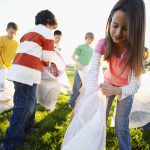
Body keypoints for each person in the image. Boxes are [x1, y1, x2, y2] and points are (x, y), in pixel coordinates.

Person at [61, 0, 146, 150]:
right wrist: (91, 93)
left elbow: (135, 85)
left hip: (125, 89)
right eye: (115, 26)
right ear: (110, 21)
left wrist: (118, 91)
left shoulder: (135, 51)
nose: (118, 33)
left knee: (121, 124)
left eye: (125, 29)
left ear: (135, 29)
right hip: (108, 83)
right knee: (98, 118)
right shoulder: (103, 44)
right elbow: (93, 69)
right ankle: (95, 144)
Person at [0, 10, 57, 150]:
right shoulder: (48, 32)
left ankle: (27, 129)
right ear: (49, 21)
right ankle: (10, 142)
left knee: (30, 102)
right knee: (24, 107)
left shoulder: (28, 32)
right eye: (53, 26)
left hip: (19, 71)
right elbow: (47, 58)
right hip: (27, 73)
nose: (53, 29)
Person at [68, 32, 94, 108]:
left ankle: (79, 101)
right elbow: (73, 56)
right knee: (76, 86)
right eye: (88, 39)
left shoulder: (92, 49)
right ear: (85, 39)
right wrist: (78, 63)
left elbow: (91, 60)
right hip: (79, 70)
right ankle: (71, 101)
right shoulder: (81, 47)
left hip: (86, 70)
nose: (89, 41)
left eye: (91, 39)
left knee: (84, 87)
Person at [0, 22, 18, 91]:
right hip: (1, 67)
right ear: (6, 30)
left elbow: (15, 57)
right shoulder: (1, 39)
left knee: (7, 89)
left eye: (14, 33)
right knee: (2, 87)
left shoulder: (16, 43)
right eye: (11, 32)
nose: (12, 35)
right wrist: (1, 65)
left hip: (9, 69)